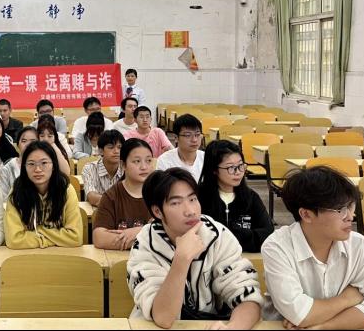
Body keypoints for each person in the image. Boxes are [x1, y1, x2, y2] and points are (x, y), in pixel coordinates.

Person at [127, 168, 263, 328]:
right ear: (157, 211)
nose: (190, 211)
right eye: (176, 203)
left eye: (192, 199)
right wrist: (181, 260)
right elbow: (163, 318)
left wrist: (232, 328)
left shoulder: (218, 235)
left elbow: (249, 298)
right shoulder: (145, 245)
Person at [262, 166, 364, 330]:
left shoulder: (358, 245)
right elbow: (300, 314)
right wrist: (348, 298)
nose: (350, 216)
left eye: (351, 206)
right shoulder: (277, 247)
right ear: (306, 214)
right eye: (340, 209)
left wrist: (323, 326)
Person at [4, 141, 82, 249]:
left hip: (60, 255)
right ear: (24, 167)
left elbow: (75, 237)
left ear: (53, 165)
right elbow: (14, 240)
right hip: (27, 256)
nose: (38, 169)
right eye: (31, 164)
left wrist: (38, 230)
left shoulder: (66, 190)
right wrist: (55, 238)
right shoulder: (16, 192)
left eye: (44, 163)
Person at [198, 140, 273, 252]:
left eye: (240, 166)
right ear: (214, 170)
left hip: (245, 258)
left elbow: (267, 233)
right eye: (231, 168)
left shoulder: (251, 197)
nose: (238, 172)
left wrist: (232, 237)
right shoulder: (198, 197)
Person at [93, 138, 153, 249]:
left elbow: (171, 233)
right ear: (123, 165)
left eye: (148, 160)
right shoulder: (111, 196)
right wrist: (149, 236)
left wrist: (140, 232)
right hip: (117, 258)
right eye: (137, 161)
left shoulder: (160, 193)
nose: (144, 167)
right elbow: (100, 238)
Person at [82, 129, 125, 207]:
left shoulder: (127, 168)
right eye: (111, 147)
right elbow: (92, 197)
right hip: (96, 212)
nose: (116, 151)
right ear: (101, 151)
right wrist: (119, 203)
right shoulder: (89, 168)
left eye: (119, 147)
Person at [156, 113, 204, 182]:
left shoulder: (206, 158)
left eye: (197, 134)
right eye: (188, 135)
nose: (194, 140)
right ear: (176, 138)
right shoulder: (165, 161)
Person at [0, 126, 38, 198]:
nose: (28, 144)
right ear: (18, 145)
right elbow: (3, 197)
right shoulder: (7, 167)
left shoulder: (45, 165)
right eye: (24, 141)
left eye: (33, 141)